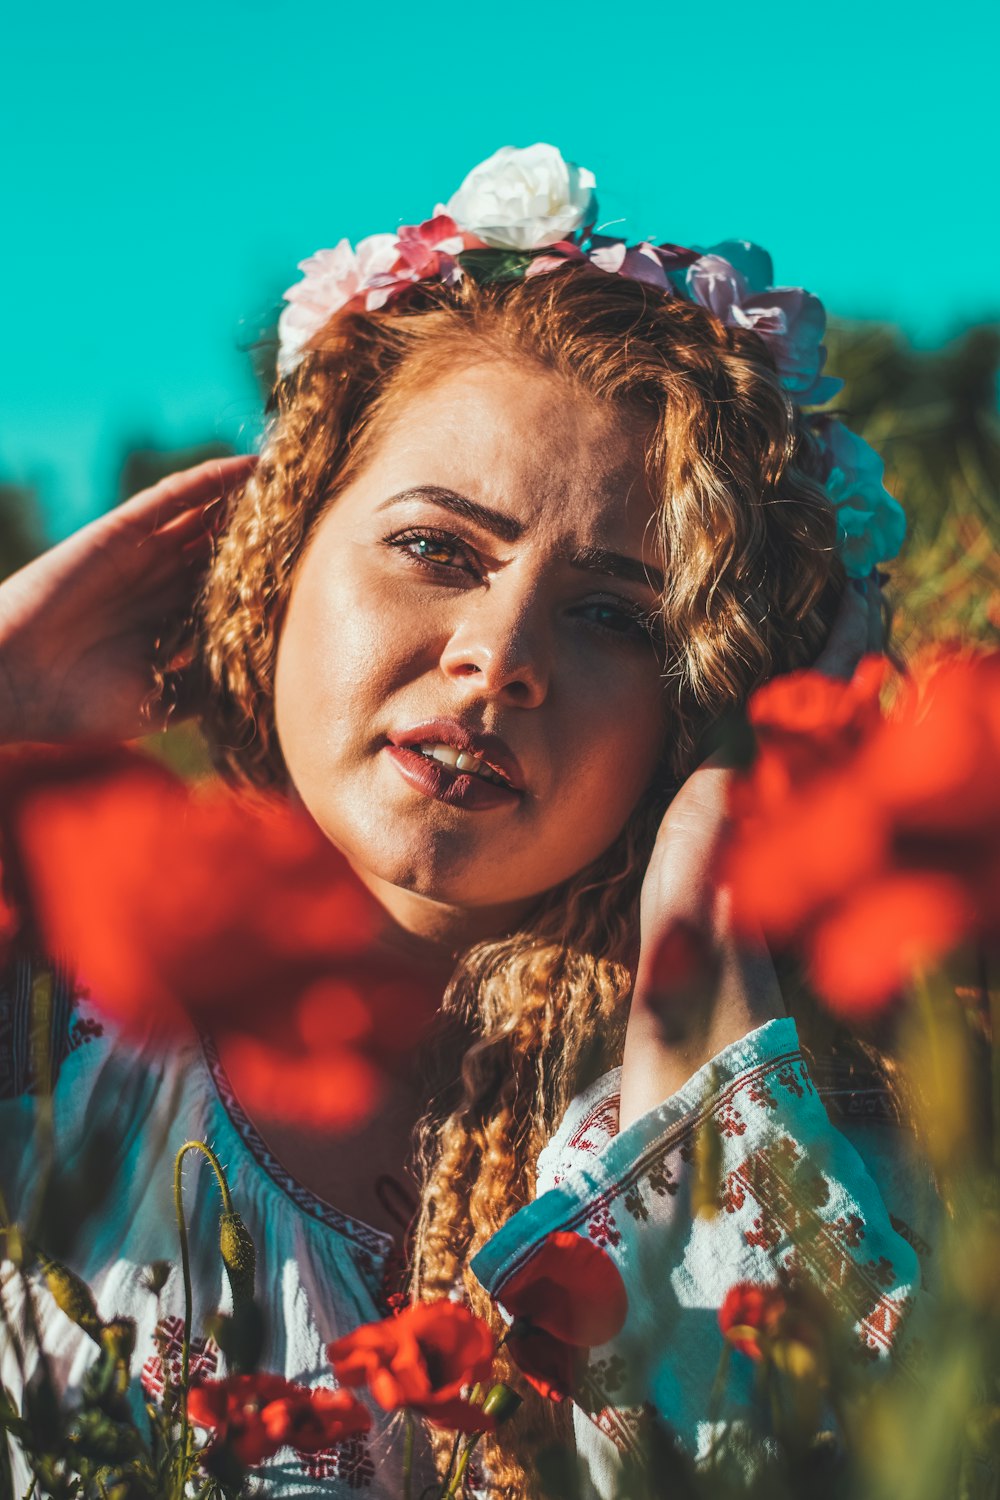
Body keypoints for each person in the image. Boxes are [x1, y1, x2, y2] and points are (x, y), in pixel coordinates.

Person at [0, 145, 932, 1499]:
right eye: (437, 548)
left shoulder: (808, 1120)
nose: (500, 659)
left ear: (706, 699)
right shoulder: (46, 1029)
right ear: (268, 561)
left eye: (617, 615)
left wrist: (705, 944)